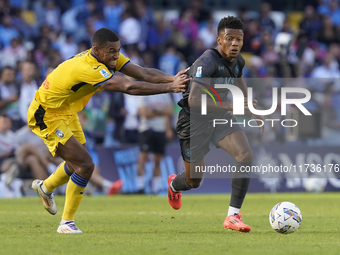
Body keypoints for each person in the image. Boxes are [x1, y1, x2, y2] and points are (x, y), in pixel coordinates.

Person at [28, 28, 189, 234]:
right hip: (46, 114)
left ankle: (45, 187)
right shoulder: (88, 68)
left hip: (67, 111)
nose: (116, 55)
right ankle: (66, 223)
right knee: (85, 165)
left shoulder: (107, 57)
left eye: (118, 50)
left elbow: (144, 72)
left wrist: (171, 78)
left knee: (76, 163)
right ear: (97, 50)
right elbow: (128, 87)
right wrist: (171, 88)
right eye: (112, 51)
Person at [167, 16, 264, 233]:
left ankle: (233, 216)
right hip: (194, 121)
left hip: (219, 117)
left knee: (245, 154)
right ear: (219, 39)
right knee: (194, 181)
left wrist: (248, 105)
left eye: (239, 39)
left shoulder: (238, 61)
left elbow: (238, 77)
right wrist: (232, 106)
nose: (235, 44)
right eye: (229, 39)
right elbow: (194, 101)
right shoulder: (207, 62)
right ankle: (174, 184)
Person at [136, 94, 173, 194]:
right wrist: (161, 111)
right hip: (147, 129)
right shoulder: (144, 94)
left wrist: (154, 111)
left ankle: (156, 188)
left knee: (157, 160)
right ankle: (140, 187)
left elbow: (170, 111)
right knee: (143, 157)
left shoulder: (165, 95)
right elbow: (144, 113)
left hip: (161, 129)